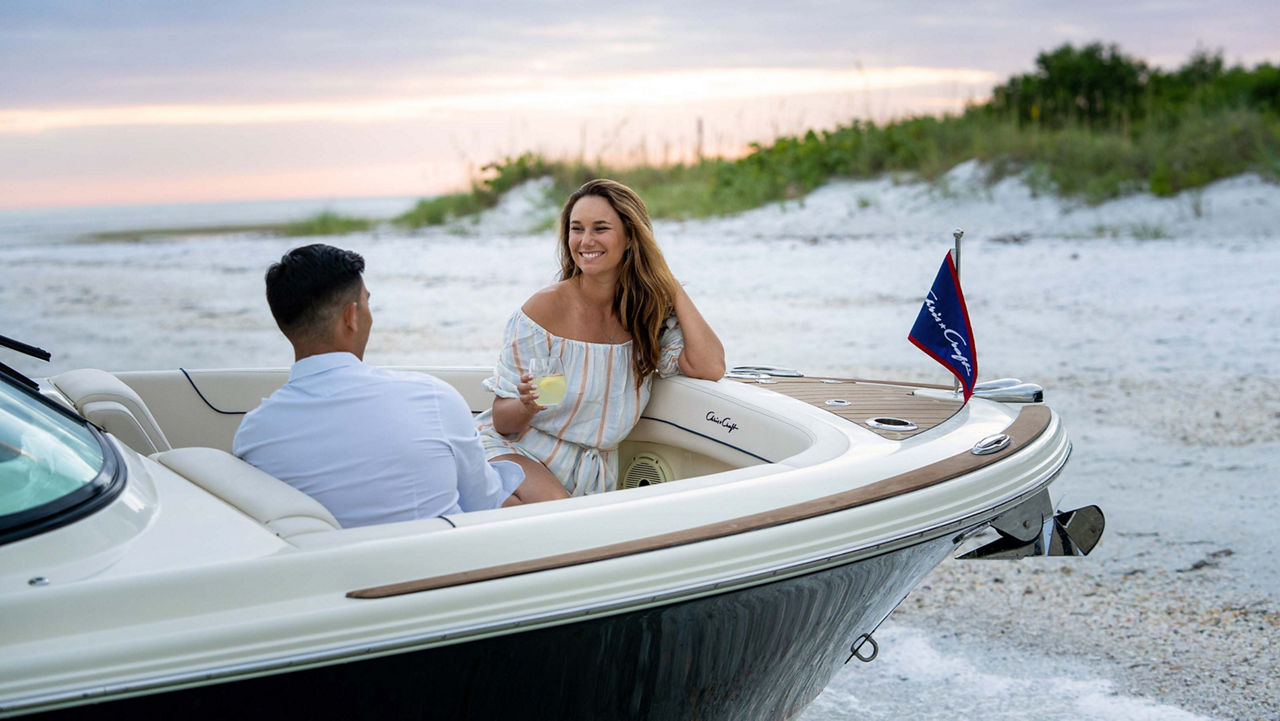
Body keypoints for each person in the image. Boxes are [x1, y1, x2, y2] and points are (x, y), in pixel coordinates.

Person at [233, 243, 564, 529]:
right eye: (367, 303)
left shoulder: (254, 434)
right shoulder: (430, 398)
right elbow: (485, 503)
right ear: (351, 316)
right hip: (439, 578)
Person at [475, 179, 725, 497]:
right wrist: (527, 404)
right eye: (577, 229)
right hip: (517, 452)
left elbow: (711, 366)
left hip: (589, 477)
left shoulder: (647, 315)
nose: (585, 241)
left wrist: (667, 281)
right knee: (558, 520)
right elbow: (502, 422)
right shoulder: (544, 309)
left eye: (600, 228)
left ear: (631, 237)